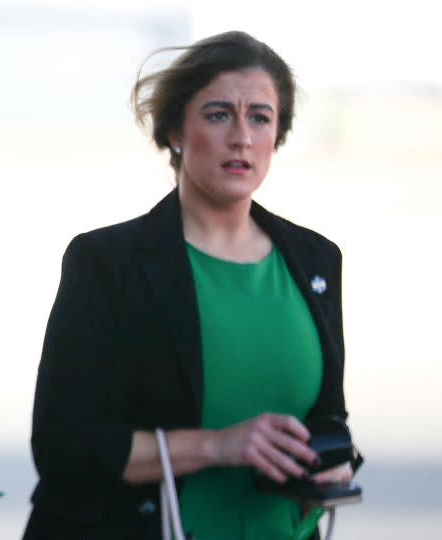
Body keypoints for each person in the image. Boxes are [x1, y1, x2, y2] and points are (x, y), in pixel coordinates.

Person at [25, 31, 354, 539]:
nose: (241, 136)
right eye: (219, 114)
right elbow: (63, 448)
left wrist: (333, 463)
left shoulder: (317, 259)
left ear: (277, 136)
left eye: (260, 117)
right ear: (176, 130)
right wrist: (218, 445)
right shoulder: (107, 262)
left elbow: (328, 418)